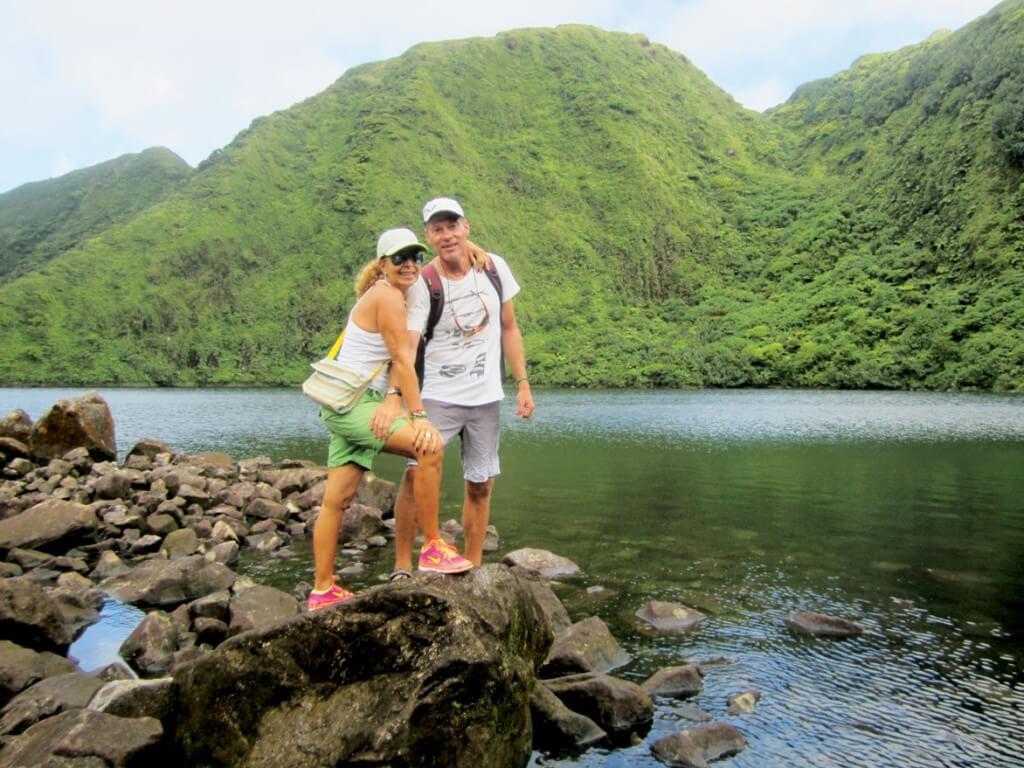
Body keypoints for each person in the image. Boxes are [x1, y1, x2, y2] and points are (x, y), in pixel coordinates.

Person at [307, 227, 473, 611]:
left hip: (347, 403)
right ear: (382, 265)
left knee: (337, 500)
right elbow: (402, 360)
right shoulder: (386, 297)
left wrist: (394, 400)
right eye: (400, 258)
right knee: (428, 448)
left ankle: (322, 589)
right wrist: (418, 416)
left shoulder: (394, 294)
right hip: (356, 404)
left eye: (414, 257)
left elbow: (404, 354)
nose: (410, 264)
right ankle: (432, 546)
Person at [376, 197, 535, 581]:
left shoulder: (494, 268)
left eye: (452, 225)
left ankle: (474, 566)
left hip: (486, 398)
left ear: (466, 228)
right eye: (437, 228)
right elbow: (406, 348)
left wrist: (523, 382)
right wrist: (394, 396)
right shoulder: (424, 283)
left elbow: (510, 327)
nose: (446, 234)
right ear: (429, 236)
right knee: (415, 478)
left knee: (481, 484)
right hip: (436, 397)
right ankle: (401, 566)